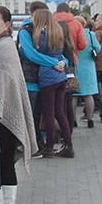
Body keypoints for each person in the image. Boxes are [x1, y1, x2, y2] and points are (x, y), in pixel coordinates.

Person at [0, 6, 37, 204]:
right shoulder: (3, 45)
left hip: (0, 116)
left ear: (7, 25)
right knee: (5, 166)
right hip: (5, 115)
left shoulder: (0, 49)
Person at [29, 9, 73, 157]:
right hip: (60, 77)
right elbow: (61, 54)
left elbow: (34, 54)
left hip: (48, 77)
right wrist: (63, 63)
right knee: (60, 112)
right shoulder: (58, 32)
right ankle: (68, 144)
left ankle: (49, 147)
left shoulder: (41, 36)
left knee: (48, 113)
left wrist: (22, 51)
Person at [72, 14, 102, 123]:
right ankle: (90, 120)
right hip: (89, 67)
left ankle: (73, 120)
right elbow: (98, 48)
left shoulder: (71, 34)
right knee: (88, 95)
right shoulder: (91, 35)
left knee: (74, 95)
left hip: (75, 67)